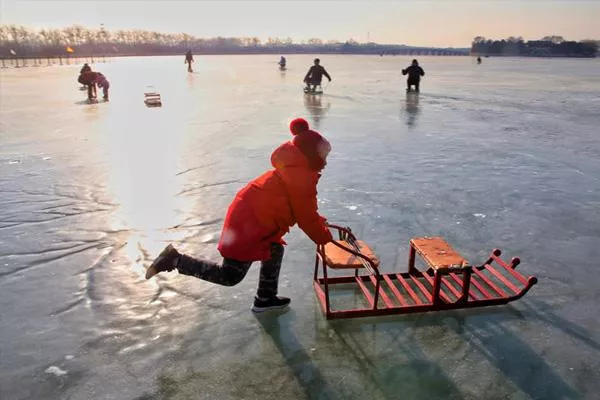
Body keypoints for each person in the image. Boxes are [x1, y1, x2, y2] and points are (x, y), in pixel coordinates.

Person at [145, 118, 334, 313]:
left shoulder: (295, 170)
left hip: (250, 217)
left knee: (274, 249)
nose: (325, 162)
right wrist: (325, 238)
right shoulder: (301, 178)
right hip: (251, 225)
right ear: (311, 155)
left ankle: (265, 298)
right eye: (323, 156)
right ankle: (175, 259)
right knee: (230, 275)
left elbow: (305, 211)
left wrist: (320, 223)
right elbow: (306, 217)